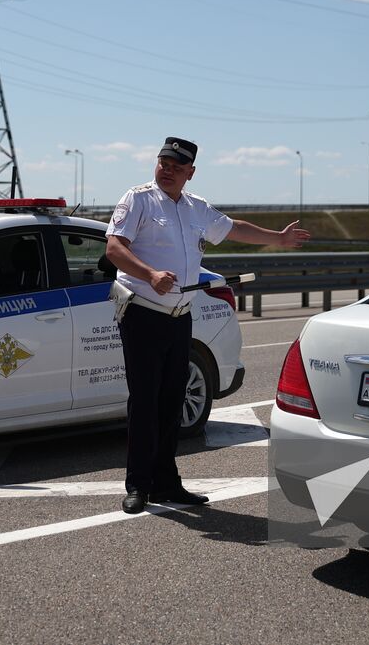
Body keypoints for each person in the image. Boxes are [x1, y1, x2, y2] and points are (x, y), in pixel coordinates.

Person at [105, 136, 310, 514]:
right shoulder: (138, 199)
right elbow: (114, 248)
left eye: (176, 167)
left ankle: (167, 483)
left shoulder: (197, 208)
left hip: (180, 317)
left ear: (190, 173)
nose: (167, 171)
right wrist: (150, 274)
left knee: (171, 402)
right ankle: (137, 484)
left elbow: (234, 228)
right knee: (145, 401)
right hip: (143, 313)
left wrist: (278, 239)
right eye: (163, 163)